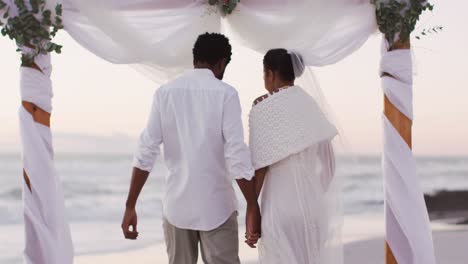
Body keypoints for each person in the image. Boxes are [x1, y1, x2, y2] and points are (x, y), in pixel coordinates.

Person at [121, 33, 261, 264]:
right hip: (217, 207)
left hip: (177, 207)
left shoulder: (164, 93)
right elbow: (236, 154)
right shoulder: (226, 94)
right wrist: (253, 205)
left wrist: (130, 206)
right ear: (221, 63)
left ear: (195, 59)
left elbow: (146, 151)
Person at [247, 49, 341, 263]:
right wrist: (313, 192)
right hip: (313, 210)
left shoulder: (262, 107)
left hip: (280, 208)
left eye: (264, 74)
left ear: (270, 74)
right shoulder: (310, 104)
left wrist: (252, 210)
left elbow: (260, 166)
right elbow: (329, 164)